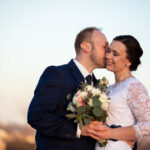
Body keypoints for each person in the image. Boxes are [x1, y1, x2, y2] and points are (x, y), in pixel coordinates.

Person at [27, 27, 108, 150]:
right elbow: (37, 116)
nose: (108, 52)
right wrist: (79, 130)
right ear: (86, 46)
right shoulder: (57, 74)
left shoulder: (98, 86)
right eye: (104, 47)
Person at [83, 35, 150, 150]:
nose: (108, 56)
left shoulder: (134, 87)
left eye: (115, 54)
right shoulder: (109, 88)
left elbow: (147, 125)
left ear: (129, 61)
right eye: (108, 51)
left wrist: (111, 133)